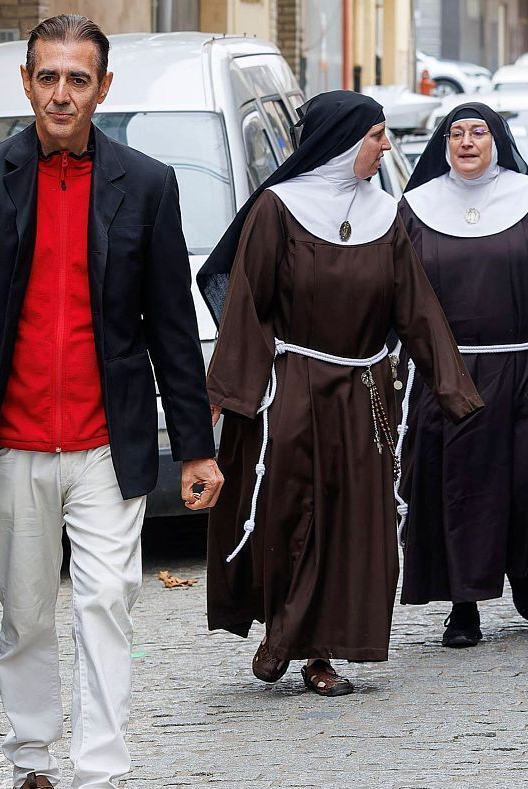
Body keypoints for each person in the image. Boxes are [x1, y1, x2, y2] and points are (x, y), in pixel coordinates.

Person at [0, 14, 221, 789]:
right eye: (47, 77)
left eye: (77, 79)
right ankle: (32, 777)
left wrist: (195, 448)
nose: (61, 92)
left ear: (102, 89)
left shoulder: (148, 184)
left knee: (104, 608)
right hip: (10, 444)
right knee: (23, 618)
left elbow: (171, 323)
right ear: (26, 83)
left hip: (105, 444)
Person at [201, 91, 483, 696]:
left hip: (364, 389)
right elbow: (247, 301)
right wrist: (229, 391)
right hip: (294, 386)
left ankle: (316, 652)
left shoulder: (385, 215)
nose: (386, 147)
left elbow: (417, 308)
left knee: (351, 521)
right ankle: (283, 631)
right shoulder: (279, 209)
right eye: (378, 135)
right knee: (291, 513)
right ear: (342, 143)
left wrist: (453, 389)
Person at [397, 103, 528, 647]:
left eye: (478, 132)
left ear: (496, 140)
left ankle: (521, 564)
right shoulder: (415, 208)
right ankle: (465, 605)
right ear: (443, 143)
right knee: (461, 489)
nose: (467, 142)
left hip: (525, 368)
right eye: (456, 133)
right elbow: (389, 289)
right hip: (448, 373)